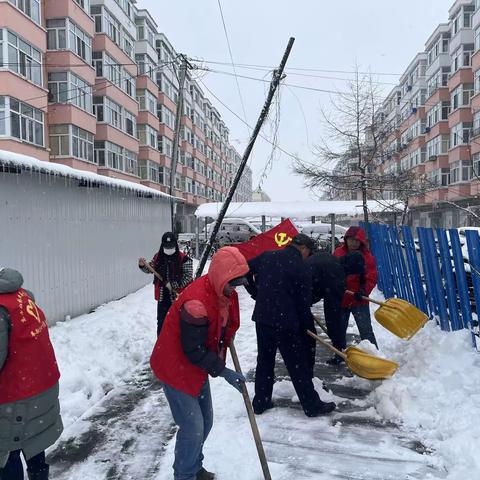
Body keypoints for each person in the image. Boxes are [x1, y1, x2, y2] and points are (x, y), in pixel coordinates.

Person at [150, 246, 249, 480]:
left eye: (237, 283)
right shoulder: (196, 303)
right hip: (176, 367)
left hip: (196, 367)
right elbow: (193, 349)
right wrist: (223, 371)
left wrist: (227, 335)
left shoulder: (221, 290)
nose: (234, 288)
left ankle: (194, 467)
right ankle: (185, 475)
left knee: (206, 422)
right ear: (221, 275)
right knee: (193, 428)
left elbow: (226, 319)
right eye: (232, 282)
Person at [246, 233, 336, 417]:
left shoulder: (267, 256)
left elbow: (244, 269)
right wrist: (305, 327)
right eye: (309, 252)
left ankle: (261, 402)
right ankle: (311, 406)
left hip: (263, 320)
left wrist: (255, 292)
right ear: (303, 248)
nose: (308, 256)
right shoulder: (302, 267)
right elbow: (303, 303)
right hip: (286, 323)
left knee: (264, 361)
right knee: (297, 365)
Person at [0, 268, 63, 480]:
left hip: (16, 398)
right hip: (41, 387)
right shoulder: (22, 296)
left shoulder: (1, 310)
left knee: (7, 452)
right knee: (33, 441)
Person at [307, 250, 366, 366]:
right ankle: (305, 372)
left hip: (292, 290)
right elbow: (332, 313)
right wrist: (337, 342)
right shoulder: (337, 274)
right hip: (299, 294)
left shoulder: (330, 258)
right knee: (306, 335)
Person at [333, 226, 378, 364]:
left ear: (361, 242)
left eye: (356, 240)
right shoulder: (338, 253)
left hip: (359, 299)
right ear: (345, 240)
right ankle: (338, 355)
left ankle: (374, 356)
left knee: (365, 330)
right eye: (350, 240)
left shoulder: (367, 257)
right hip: (342, 298)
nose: (353, 243)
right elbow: (332, 273)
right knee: (339, 329)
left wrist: (363, 291)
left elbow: (371, 277)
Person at [139, 231, 193, 336]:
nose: (168, 249)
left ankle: (177, 347)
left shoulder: (184, 259)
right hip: (163, 297)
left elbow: (188, 276)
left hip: (179, 297)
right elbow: (150, 269)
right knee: (162, 323)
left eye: (171, 246)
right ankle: (162, 346)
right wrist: (142, 265)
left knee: (178, 323)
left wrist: (174, 285)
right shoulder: (158, 257)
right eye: (166, 246)